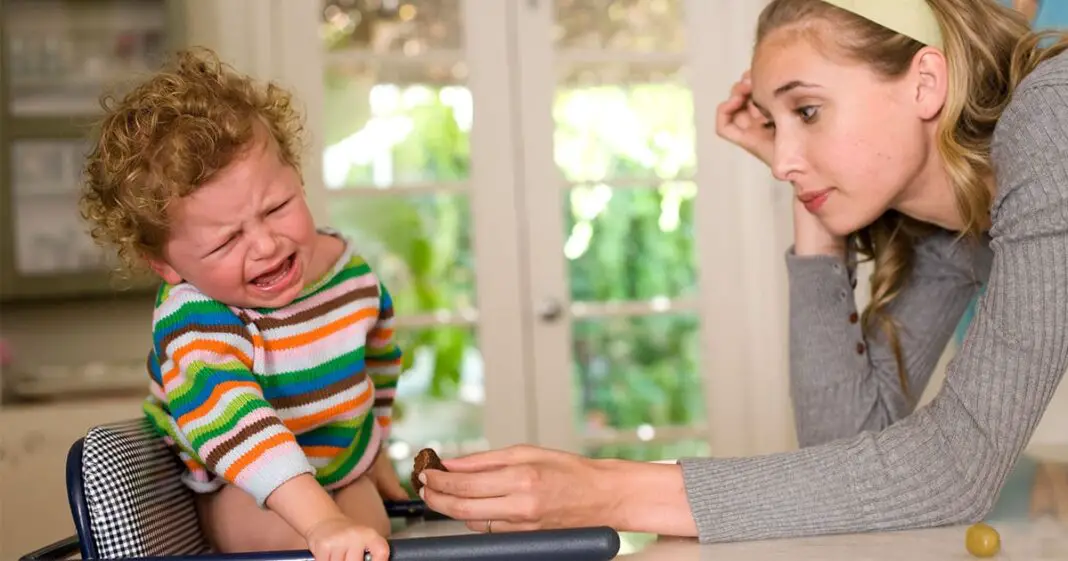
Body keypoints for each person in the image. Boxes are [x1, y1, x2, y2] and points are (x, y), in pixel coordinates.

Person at [417, 0, 1068, 543]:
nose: (781, 161)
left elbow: (955, 467)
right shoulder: (953, 229)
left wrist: (607, 491)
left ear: (925, 83)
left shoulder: (1051, 118)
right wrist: (818, 216)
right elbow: (846, 444)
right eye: (773, 126)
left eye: (807, 111)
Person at [80, 48, 406, 561]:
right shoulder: (196, 319)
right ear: (165, 264)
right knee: (297, 546)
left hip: (337, 466)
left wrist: (374, 450)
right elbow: (236, 425)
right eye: (227, 240)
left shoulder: (349, 274)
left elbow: (378, 365)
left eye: (277, 207)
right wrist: (321, 521)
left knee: (375, 534)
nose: (266, 245)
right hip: (243, 480)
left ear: (297, 177)